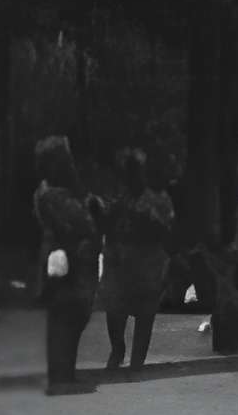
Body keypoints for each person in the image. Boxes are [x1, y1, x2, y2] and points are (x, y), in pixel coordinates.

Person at [34, 136, 103, 396]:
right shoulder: (53, 194)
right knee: (66, 316)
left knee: (70, 316)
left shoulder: (53, 191)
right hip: (66, 262)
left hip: (72, 261)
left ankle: (64, 374)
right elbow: (81, 223)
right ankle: (61, 377)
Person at [99, 147, 176, 372]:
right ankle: (118, 349)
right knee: (114, 312)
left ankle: (136, 363)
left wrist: (150, 221)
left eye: (136, 170)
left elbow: (167, 232)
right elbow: (105, 226)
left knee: (145, 315)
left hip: (148, 264)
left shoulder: (158, 200)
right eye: (128, 171)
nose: (133, 176)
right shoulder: (115, 198)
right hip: (120, 264)